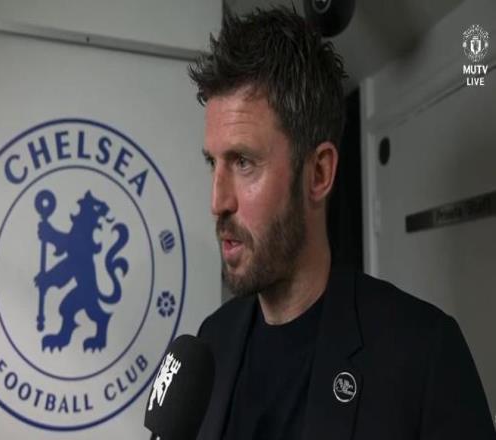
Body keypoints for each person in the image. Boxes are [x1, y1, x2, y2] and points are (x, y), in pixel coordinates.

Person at [188, 6, 495, 440]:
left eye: (243, 162)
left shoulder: (423, 354)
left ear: (318, 174)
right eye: (213, 163)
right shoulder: (211, 343)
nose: (217, 201)